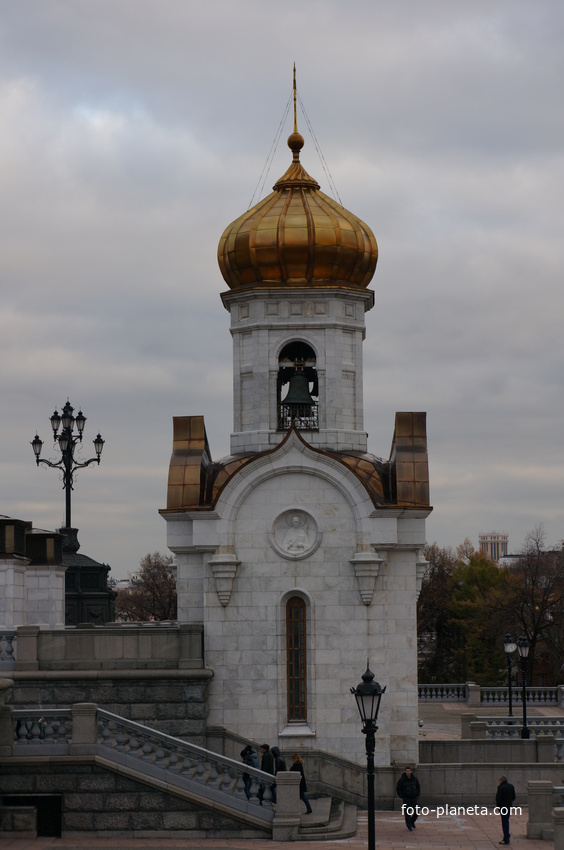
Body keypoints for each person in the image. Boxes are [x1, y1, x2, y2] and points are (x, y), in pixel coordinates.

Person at [396, 766, 421, 831]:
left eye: (409, 771)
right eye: (406, 771)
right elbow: (398, 788)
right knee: (407, 812)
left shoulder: (414, 779)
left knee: (417, 811)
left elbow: (418, 786)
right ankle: (409, 825)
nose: (408, 772)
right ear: (405, 771)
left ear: (411, 771)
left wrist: (417, 794)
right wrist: (402, 796)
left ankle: (412, 821)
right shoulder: (402, 780)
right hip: (406, 798)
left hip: (414, 797)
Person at [496, 774, 516, 845]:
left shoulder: (501, 788)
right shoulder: (511, 786)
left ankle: (506, 838)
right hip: (509, 806)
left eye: (499, 780)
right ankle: (507, 836)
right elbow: (514, 797)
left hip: (503, 807)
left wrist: (499, 807)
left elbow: (498, 799)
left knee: (504, 822)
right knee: (506, 821)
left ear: (501, 780)